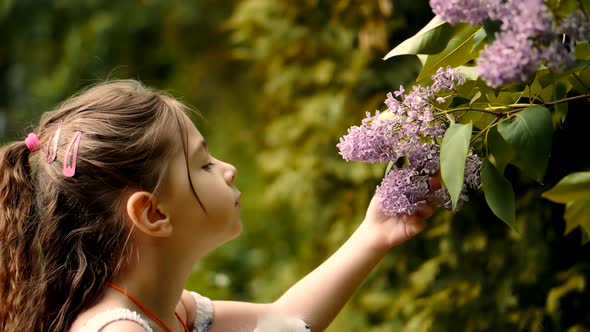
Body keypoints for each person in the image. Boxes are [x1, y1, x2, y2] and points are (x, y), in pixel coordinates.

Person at [0, 80, 433, 332]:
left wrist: (374, 234)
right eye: (202, 163)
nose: (227, 170)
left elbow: (282, 322)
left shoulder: (169, 311)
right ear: (153, 213)